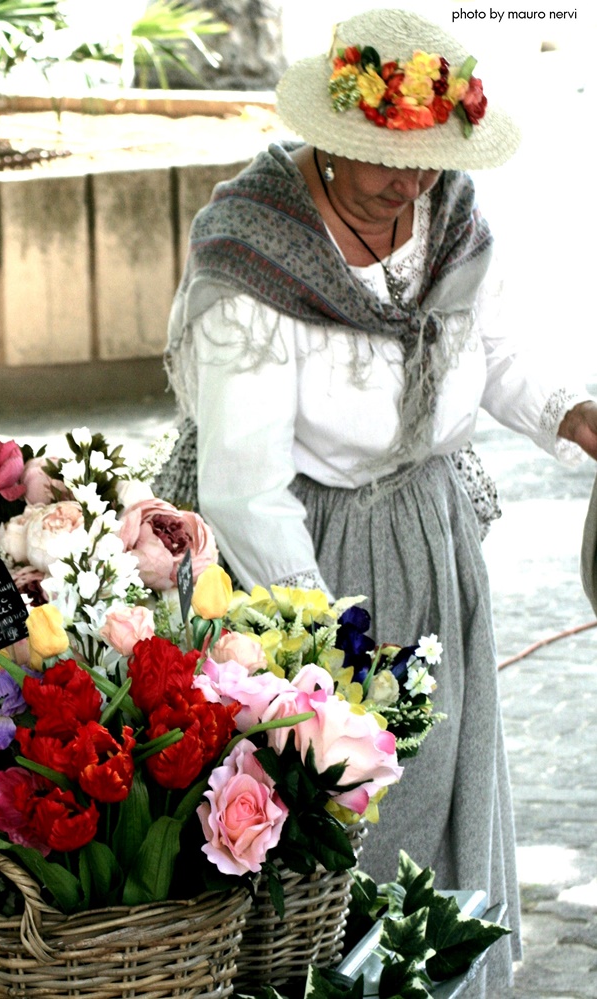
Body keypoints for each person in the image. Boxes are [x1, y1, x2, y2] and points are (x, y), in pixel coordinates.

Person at [154, 7, 597, 996]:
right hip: (302, 555)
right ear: (326, 139)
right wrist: (325, 658)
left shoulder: (447, 216)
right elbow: (244, 487)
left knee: (437, 790)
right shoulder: (254, 255)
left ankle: (437, 977)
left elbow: (485, 349)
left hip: (428, 536)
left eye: (426, 164)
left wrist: (573, 414)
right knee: (333, 808)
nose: (405, 185)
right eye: (379, 164)